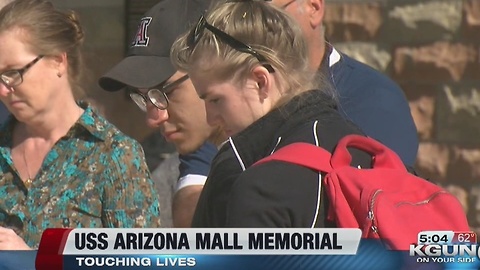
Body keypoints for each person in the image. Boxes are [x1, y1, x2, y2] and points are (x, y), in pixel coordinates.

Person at [171, 0, 373, 227]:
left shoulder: (246, 178)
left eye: (216, 100)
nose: (211, 118)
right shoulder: (362, 147)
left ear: (260, 81)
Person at [0, 0, 161, 249]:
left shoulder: (114, 155)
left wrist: (32, 262)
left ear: (58, 61)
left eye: (14, 72)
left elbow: (141, 262)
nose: (3, 89)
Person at [98, 0, 223, 227]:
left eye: (165, 92)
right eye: (144, 98)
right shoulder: (204, 143)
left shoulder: (290, 139)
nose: (154, 118)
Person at [271, 0, 419, 167]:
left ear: (313, 7)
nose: (252, 25)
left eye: (266, 11)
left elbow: (386, 187)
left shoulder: (375, 99)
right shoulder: (243, 96)